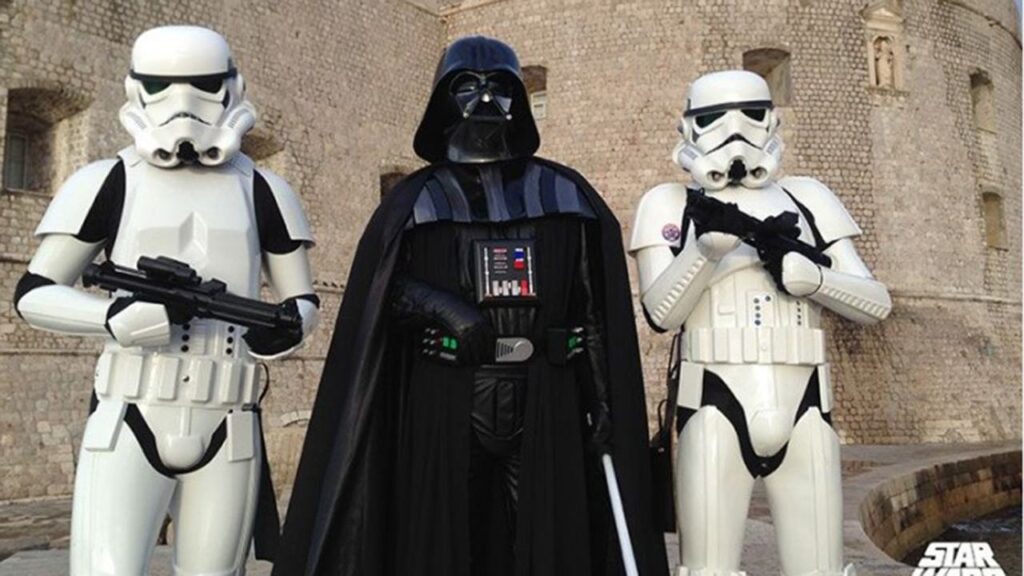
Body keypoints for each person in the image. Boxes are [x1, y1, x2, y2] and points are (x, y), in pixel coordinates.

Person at [275, 35, 667, 576]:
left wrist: (603, 399)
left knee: (543, 535)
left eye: (499, 86)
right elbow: (379, 294)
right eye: (466, 86)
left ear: (518, 99)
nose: (484, 99)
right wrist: (441, 307)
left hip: (546, 394)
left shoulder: (566, 196)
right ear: (443, 98)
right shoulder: (416, 200)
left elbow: (592, 305)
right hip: (446, 394)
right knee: (448, 536)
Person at [14, 25, 319, 575]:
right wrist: (114, 318)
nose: (184, 104)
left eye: (202, 85)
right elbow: (34, 294)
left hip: (228, 416)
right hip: (131, 409)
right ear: (137, 89)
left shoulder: (264, 190)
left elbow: (301, 300)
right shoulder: (108, 181)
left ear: (231, 87)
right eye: (162, 85)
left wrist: (284, 328)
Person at [630, 70, 891, 576]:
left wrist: (816, 279)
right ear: (689, 127)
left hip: (806, 406)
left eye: (750, 114)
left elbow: (875, 303)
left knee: (820, 570)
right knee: (707, 571)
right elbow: (661, 313)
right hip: (714, 404)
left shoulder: (807, 198)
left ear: (770, 120)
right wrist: (704, 253)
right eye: (714, 118)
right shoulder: (669, 203)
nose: (735, 131)